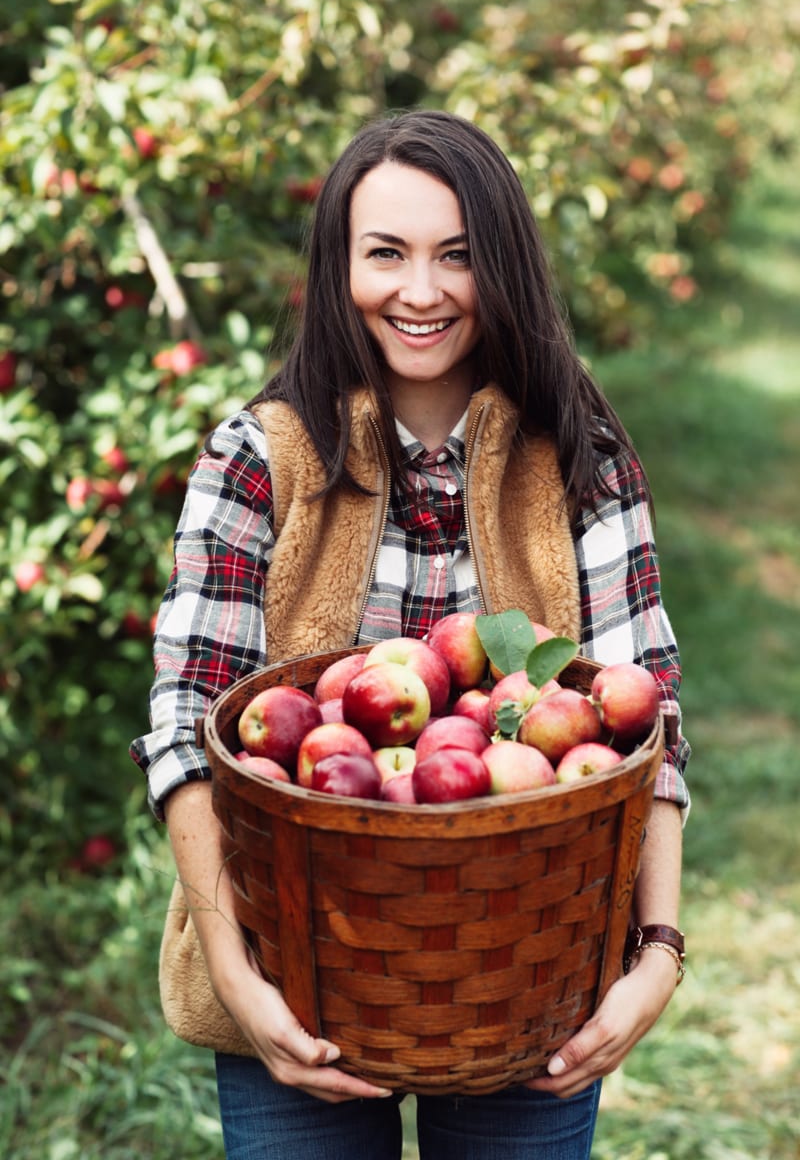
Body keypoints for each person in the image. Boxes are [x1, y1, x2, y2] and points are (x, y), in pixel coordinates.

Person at [130, 108, 690, 1160]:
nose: (420, 291)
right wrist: (237, 981)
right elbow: (182, 730)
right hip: (293, 965)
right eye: (384, 253)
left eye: (458, 257)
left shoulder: (579, 461)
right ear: (337, 264)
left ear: (504, 269)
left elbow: (646, 721)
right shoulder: (260, 461)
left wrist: (653, 951)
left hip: (524, 964)